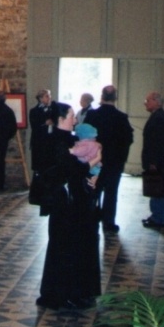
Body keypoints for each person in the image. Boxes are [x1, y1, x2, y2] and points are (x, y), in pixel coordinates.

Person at [37, 102, 102, 309]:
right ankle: (62, 293)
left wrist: (94, 177)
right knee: (64, 246)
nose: (75, 120)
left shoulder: (71, 140)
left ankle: (75, 292)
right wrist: (97, 160)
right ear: (61, 119)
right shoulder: (55, 142)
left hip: (75, 201)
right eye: (72, 116)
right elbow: (73, 169)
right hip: (65, 203)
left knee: (74, 245)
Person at [84, 84, 133, 234]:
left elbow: (84, 137)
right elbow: (128, 139)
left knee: (93, 191)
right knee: (111, 193)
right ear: (115, 98)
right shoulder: (121, 117)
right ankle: (109, 221)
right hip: (114, 162)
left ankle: (90, 218)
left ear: (102, 97)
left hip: (94, 161)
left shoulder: (92, 115)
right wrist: (121, 159)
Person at [140, 91, 164, 229]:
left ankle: (158, 218)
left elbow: (158, 143)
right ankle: (156, 216)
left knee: (158, 189)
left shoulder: (159, 118)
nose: (145, 103)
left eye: (148, 100)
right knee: (156, 189)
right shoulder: (158, 116)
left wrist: (153, 162)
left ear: (156, 102)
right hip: (158, 160)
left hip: (158, 161)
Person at [30, 88, 59, 172]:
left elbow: (59, 122)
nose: (49, 98)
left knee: (51, 166)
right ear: (40, 98)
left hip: (51, 143)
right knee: (39, 167)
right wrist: (44, 123)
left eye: (50, 96)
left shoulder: (54, 109)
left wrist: (54, 123)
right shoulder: (34, 111)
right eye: (47, 96)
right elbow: (34, 126)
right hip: (39, 143)